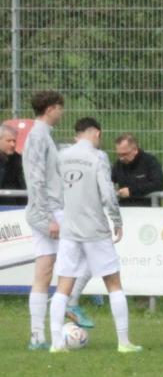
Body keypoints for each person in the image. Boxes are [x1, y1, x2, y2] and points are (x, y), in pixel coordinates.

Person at [47, 118, 142, 353]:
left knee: (62, 286)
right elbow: (108, 195)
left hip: (70, 228)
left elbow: (55, 192)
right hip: (94, 229)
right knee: (113, 283)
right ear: (97, 133)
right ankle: (123, 342)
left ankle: (57, 343)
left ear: (76, 135)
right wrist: (117, 220)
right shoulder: (97, 157)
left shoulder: (62, 156)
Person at [22, 91, 94, 350]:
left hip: (49, 210)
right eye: (61, 108)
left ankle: (38, 336)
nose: (62, 113)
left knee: (44, 269)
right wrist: (47, 216)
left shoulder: (43, 136)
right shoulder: (38, 136)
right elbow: (36, 178)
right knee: (88, 254)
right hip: (50, 212)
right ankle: (68, 303)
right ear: (51, 108)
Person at [111, 133, 163, 207]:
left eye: (125, 154)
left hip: (148, 210)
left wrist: (131, 191)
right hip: (125, 211)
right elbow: (109, 181)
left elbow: (159, 184)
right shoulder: (118, 165)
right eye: (119, 154)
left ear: (135, 150)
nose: (121, 158)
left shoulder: (150, 161)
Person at [0, 123, 25, 206]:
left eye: (14, 141)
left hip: (15, 208)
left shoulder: (19, 160)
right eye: (9, 141)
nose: (12, 144)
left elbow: (23, 185)